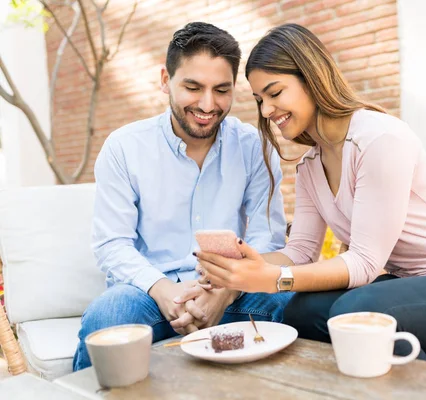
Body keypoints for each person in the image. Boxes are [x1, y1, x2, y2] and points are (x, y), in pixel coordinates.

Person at [188, 23, 426, 367]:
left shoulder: (379, 138)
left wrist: (273, 279)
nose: (266, 111)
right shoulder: (311, 166)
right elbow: (299, 253)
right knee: (301, 311)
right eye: (259, 99)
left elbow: (364, 263)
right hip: (425, 287)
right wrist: (238, 269)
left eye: (275, 93)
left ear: (312, 78)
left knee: (354, 310)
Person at [73, 22, 291, 371]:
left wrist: (224, 291)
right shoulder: (125, 148)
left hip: (233, 288)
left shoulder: (254, 147)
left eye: (221, 90)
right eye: (193, 87)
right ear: (165, 80)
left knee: (297, 303)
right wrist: (165, 291)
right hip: (149, 293)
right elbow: (112, 244)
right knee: (109, 315)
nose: (208, 104)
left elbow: (268, 237)